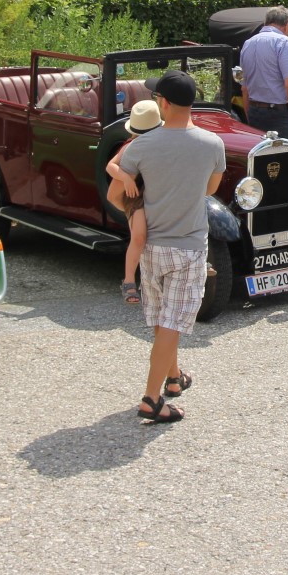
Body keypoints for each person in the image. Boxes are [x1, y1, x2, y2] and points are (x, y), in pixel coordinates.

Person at [117, 71, 226, 424]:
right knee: (173, 322)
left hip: (151, 248)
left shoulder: (141, 146)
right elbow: (209, 190)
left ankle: (174, 377)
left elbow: (117, 191)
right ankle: (152, 398)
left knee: (165, 321)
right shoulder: (212, 144)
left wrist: (138, 211)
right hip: (189, 247)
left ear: (162, 102)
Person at [106, 99, 163, 302]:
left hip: (156, 194)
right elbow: (110, 166)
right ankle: (129, 280)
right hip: (135, 195)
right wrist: (126, 178)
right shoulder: (132, 145)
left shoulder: (164, 142)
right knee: (139, 236)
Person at [239, 7, 288, 145]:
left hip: (255, 111)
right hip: (280, 114)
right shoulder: (283, 42)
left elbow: (245, 89)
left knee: (261, 161)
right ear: (286, 26)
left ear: (266, 23)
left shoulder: (247, 44)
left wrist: (249, 115)